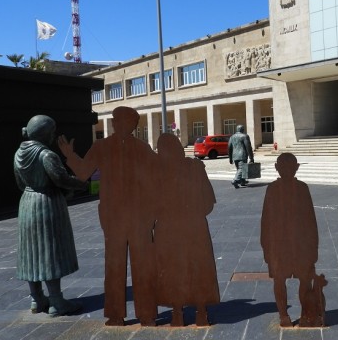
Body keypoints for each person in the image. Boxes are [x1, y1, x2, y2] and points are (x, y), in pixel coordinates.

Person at [57, 106, 157, 327]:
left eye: (122, 121)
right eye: (117, 120)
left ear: (131, 125)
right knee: (116, 265)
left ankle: (144, 313)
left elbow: (155, 181)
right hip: (116, 218)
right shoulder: (104, 147)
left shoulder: (141, 148)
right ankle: (121, 314)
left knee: (139, 266)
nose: (118, 124)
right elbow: (83, 173)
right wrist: (70, 156)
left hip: (137, 217)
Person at [14, 115, 85, 317]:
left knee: (31, 253)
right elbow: (61, 180)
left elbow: (20, 184)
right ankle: (56, 302)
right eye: (52, 132)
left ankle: (36, 300)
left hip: (27, 203)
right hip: (47, 204)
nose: (53, 136)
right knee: (49, 252)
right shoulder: (47, 155)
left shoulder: (18, 154)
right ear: (45, 134)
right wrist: (83, 183)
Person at [151, 133, 220, 326]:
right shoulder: (195, 167)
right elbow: (208, 201)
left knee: (172, 268)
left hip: (168, 228)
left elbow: (152, 204)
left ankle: (177, 313)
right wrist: (195, 215)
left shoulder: (158, 172)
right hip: (194, 226)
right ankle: (201, 312)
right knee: (198, 267)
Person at [260, 153, 319, 328]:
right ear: (277, 168)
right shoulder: (279, 189)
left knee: (298, 279)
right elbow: (266, 221)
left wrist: (313, 246)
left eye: (290, 167)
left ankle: (297, 314)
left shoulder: (300, 188)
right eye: (283, 167)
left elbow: (310, 220)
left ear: (296, 168)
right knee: (285, 280)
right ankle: (285, 315)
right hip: (286, 245)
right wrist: (266, 247)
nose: (286, 171)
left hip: (292, 244)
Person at [227, 124, 254, 189]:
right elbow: (248, 147)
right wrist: (251, 157)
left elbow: (229, 148)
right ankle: (235, 180)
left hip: (235, 155)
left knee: (239, 168)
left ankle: (242, 181)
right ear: (242, 130)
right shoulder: (244, 136)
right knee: (241, 169)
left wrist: (230, 158)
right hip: (242, 155)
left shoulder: (232, 137)